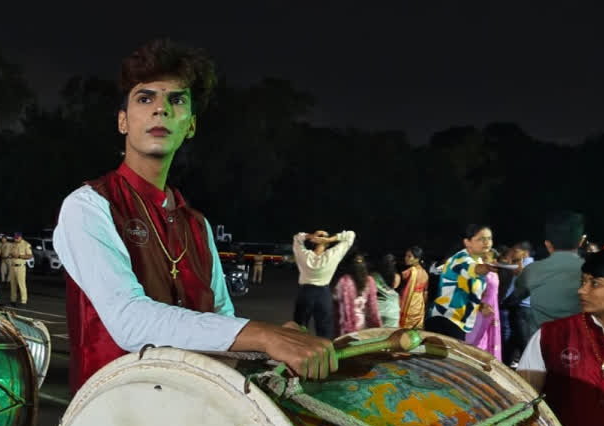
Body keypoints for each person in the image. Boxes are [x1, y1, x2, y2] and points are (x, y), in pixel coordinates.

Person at [53, 38, 337, 396]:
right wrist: (261, 334)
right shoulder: (88, 206)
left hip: (191, 419)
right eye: (145, 98)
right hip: (111, 425)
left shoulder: (196, 225)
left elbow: (220, 322)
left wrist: (272, 343)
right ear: (123, 121)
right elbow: (129, 321)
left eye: (177, 100)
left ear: (190, 125)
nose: (161, 110)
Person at [517, 249, 604, 426]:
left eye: (594, 283)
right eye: (582, 281)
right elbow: (520, 404)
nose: (581, 290)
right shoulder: (552, 337)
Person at [506, 212, 586, 337]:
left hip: (541, 343)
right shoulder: (592, 273)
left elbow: (515, 296)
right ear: (581, 241)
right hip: (577, 342)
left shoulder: (532, 270)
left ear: (548, 244)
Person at [424, 224, 494, 340]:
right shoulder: (460, 259)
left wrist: (481, 306)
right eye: (481, 239)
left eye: (489, 238)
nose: (487, 242)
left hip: (459, 322)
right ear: (467, 242)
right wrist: (489, 268)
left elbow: (468, 292)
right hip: (444, 320)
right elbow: (473, 269)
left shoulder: (479, 260)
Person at [292, 229, 356, 338]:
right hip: (323, 294)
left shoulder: (303, 255)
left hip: (305, 292)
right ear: (327, 244)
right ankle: (324, 351)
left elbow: (296, 238)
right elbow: (351, 235)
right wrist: (330, 239)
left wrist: (311, 235)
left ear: (314, 241)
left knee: (299, 326)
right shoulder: (332, 255)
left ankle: (296, 350)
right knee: (324, 329)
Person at [465, 249, 502, 360]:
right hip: (479, 310)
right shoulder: (481, 274)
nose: (482, 261)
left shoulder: (493, 274)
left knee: (484, 338)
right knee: (475, 338)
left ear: (494, 261)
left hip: (488, 311)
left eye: (486, 258)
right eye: (482, 258)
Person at [333, 251, 381, 335]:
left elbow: (344, 311)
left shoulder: (344, 282)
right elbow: (373, 308)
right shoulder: (369, 281)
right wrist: (377, 327)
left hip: (346, 326)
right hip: (362, 324)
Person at [398, 246, 428, 329]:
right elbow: (425, 292)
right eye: (406, 256)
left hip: (409, 303)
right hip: (419, 305)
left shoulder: (410, 272)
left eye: (409, 256)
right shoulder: (425, 273)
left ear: (417, 259)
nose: (406, 258)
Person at [373, 253, 401, 328]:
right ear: (394, 264)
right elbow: (395, 287)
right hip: (393, 311)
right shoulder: (396, 277)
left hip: (378, 310)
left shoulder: (374, 276)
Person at [6, 231, 32, 305]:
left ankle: (23, 301)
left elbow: (30, 256)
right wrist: (11, 255)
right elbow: (10, 254)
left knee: (21, 284)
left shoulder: (26, 244)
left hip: (20, 267)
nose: (16, 239)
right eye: (15, 238)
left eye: (17, 238)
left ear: (21, 237)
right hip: (12, 266)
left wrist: (20, 256)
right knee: (13, 284)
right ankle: (13, 300)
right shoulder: (13, 244)